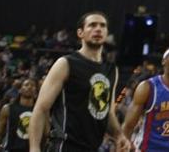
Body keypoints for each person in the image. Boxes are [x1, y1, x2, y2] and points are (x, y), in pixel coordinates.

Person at [29, 11, 130, 152]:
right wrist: (34, 148)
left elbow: (108, 113)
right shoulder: (66, 63)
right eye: (92, 25)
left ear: (106, 33)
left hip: (93, 147)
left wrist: (119, 136)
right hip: (65, 146)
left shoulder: (112, 70)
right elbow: (40, 109)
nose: (98, 29)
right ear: (80, 33)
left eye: (102, 26)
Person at [0, 77, 42, 152]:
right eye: (26, 85)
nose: (29, 87)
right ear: (20, 90)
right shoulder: (7, 109)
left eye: (32, 85)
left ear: (36, 92)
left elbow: (45, 135)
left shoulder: (40, 111)